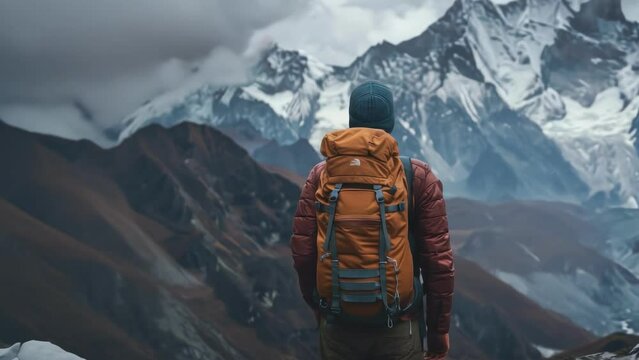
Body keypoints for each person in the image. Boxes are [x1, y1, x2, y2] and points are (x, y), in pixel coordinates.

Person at [290, 81, 454, 360]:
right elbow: (438, 263)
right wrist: (438, 333)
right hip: (399, 327)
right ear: (391, 123)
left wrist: (320, 306)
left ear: (351, 121)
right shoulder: (416, 177)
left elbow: (304, 253)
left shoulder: (321, 175)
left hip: (338, 326)